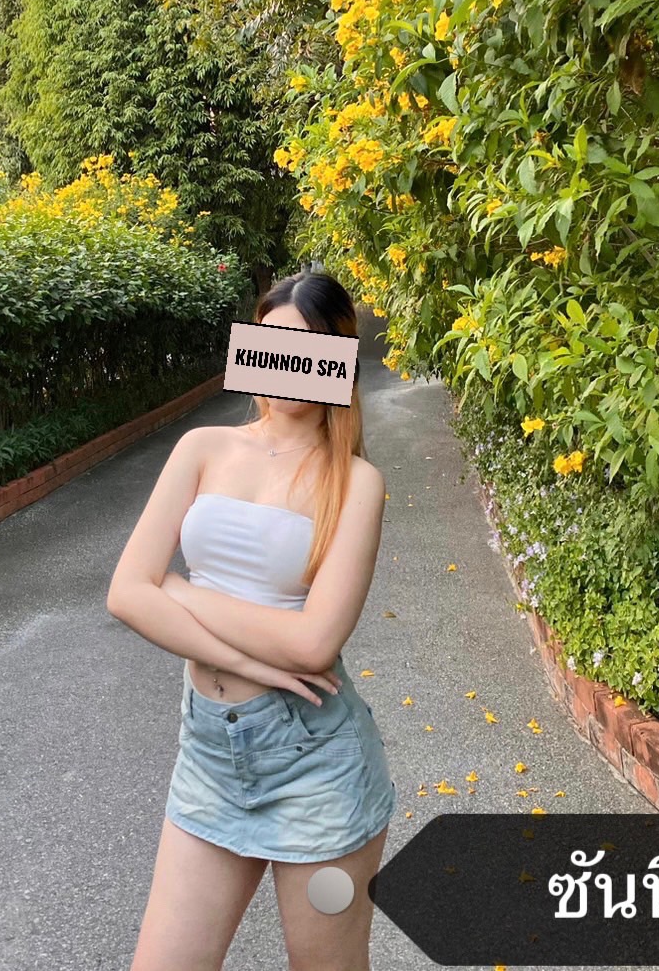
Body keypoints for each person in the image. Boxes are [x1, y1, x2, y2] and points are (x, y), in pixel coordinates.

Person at [107, 270, 396, 971]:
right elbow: (126, 593)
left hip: (315, 766)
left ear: (336, 358)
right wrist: (245, 662)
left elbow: (314, 642)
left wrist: (183, 590)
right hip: (210, 756)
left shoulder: (356, 482)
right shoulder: (203, 448)